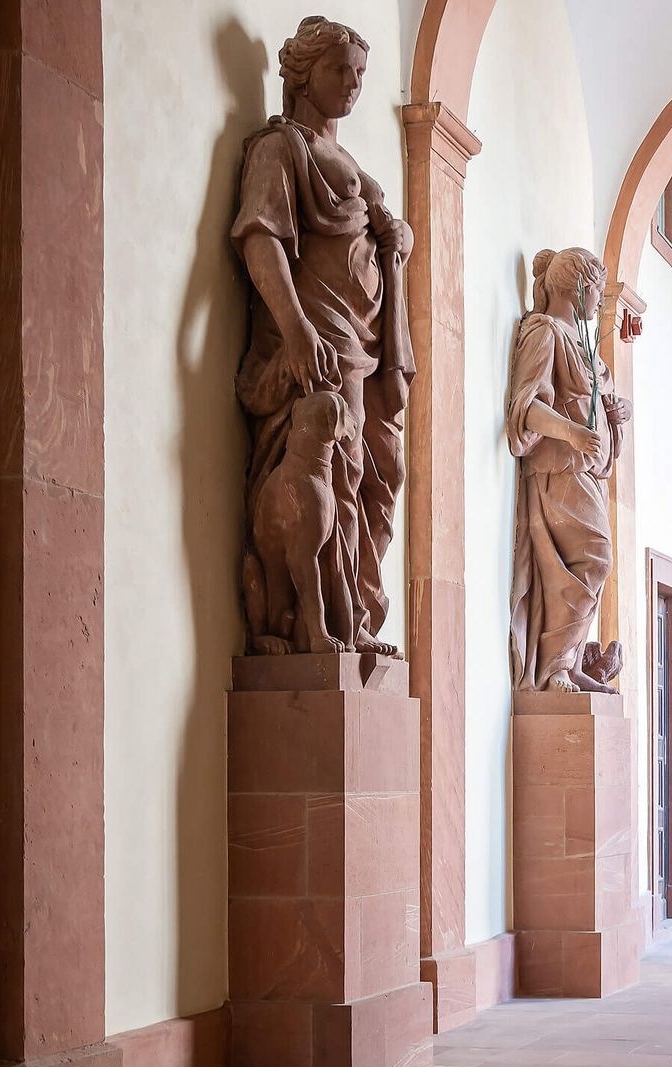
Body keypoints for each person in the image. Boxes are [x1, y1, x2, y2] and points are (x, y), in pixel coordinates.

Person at [232, 15, 411, 656]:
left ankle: (354, 612)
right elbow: (262, 240)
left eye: (362, 73)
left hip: (363, 346)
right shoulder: (283, 150)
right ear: (305, 73)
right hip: (322, 342)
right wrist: (296, 328)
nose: (354, 85)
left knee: (377, 480)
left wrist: (397, 242)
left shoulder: (354, 168)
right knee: (337, 478)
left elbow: (375, 235)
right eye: (341, 70)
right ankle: (329, 624)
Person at [506, 248, 630, 691]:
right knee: (595, 557)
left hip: (588, 473)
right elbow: (527, 406)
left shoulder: (585, 346)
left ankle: (570, 662)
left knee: (590, 563)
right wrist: (573, 433)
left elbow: (595, 414)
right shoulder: (546, 332)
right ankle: (554, 666)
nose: (599, 303)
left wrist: (614, 419)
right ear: (579, 288)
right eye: (597, 291)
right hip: (559, 468)